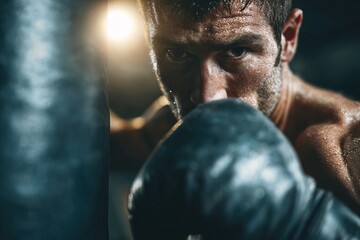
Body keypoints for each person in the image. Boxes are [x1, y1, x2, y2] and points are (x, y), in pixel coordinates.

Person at [111, 0, 360, 213]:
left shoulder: (342, 150)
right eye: (177, 53)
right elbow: (99, 141)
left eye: (237, 51)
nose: (207, 97)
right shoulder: (172, 130)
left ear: (288, 38)